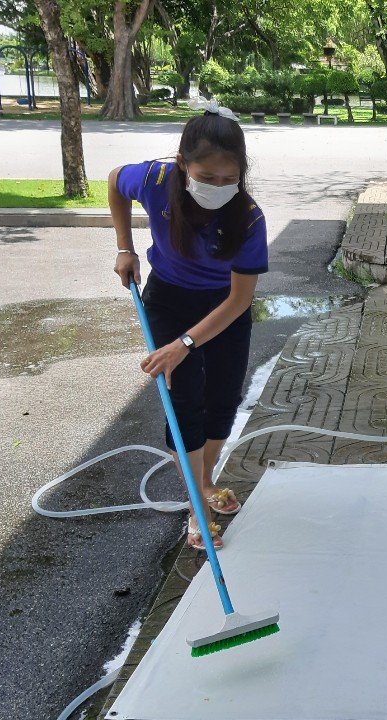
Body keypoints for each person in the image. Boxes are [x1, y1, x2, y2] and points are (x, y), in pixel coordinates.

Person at [109, 106, 267, 551]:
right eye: (206, 177)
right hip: (169, 298)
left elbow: (240, 300)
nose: (217, 188)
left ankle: (205, 479)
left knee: (223, 398)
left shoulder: (248, 218)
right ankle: (198, 505)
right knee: (184, 404)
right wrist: (125, 247)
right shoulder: (155, 180)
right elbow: (115, 179)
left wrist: (185, 344)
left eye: (228, 180)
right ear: (183, 164)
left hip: (223, 308)